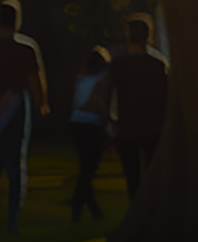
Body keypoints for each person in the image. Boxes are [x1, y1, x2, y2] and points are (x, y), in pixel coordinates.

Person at [0, 0, 49, 235]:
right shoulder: (26, 47)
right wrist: (42, 104)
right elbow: (35, 79)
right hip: (15, 108)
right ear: (17, 20)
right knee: (14, 166)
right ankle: (12, 220)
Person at [91, 12, 169, 206]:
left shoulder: (119, 64)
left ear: (128, 35)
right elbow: (167, 98)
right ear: (149, 35)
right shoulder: (157, 65)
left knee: (132, 178)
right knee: (153, 176)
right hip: (154, 128)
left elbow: (102, 94)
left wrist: (110, 119)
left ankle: (137, 211)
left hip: (126, 129)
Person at [69, 46, 112, 223]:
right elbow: (98, 102)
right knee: (89, 169)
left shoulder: (81, 78)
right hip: (93, 124)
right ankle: (78, 206)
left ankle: (94, 211)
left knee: (85, 167)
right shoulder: (104, 80)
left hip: (76, 122)